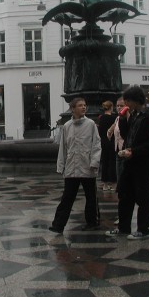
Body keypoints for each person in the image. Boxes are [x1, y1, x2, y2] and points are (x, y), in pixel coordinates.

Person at [105, 86, 149, 240]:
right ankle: (123, 227)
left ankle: (143, 229)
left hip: (142, 163)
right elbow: (127, 134)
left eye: (128, 101)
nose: (126, 104)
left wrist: (134, 151)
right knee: (125, 194)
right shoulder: (133, 115)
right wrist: (122, 118)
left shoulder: (148, 117)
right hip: (129, 161)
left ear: (135, 100)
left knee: (143, 197)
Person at [49, 98, 102, 234]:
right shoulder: (67, 126)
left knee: (91, 197)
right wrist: (61, 166)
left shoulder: (91, 124)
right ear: (73, 109)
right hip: (72, 167)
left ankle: (92, 222)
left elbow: (96, 144)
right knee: (67, 197)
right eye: (80, 105)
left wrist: (94, 162)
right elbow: (63, 147)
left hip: (87, 166)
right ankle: (58, 224)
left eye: (84, 105)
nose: (83, 107)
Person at [98, 100, 118, 191]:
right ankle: (113, 183)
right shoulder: (114, 118)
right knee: (112, 162)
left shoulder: (101, 118)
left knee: (105, 162)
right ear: (111, 107)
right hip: (112, 142)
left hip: (103, 142)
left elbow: (100, 131)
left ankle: (105, 184)